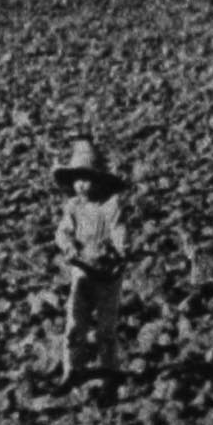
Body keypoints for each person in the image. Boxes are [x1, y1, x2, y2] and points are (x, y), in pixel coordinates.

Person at [53, 137, 129, 395]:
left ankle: (110, 371)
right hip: (82, 270)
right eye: (78, 179)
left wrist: (120, 250)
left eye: (88, 179)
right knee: (75, 321)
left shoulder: (111, 205)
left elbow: (120, 232)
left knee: (106, 327)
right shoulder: (73, 206)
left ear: (100, 181)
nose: (82, 185)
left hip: (108, 272)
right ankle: (72, 369)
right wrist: (69, 246)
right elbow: (62, 232)